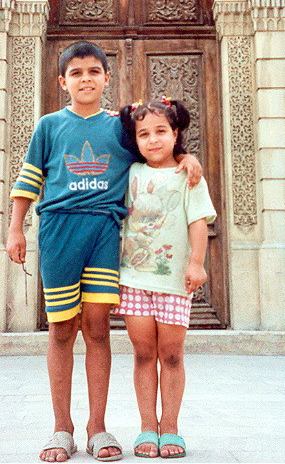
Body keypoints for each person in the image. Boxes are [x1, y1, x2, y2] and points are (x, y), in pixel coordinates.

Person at [6, 42, 202, 463]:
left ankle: (97, 427)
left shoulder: (118, 128)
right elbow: (28, 180)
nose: (86, 79)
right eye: (76, 73)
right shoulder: (49, 126)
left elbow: (157, 149)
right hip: (59, 232)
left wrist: (185, 156)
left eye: (94, 71)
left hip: (104, 235)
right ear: (62, 82)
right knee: (61, 329)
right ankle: (62, 428)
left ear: (107, 79)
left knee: (97, 328)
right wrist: (15, 230)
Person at [114, 98, 216, 459]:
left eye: (161, 131)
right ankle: (147, 425)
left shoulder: (188, 175)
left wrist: (197, 264)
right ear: (135, 139)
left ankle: (170, 426)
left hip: (174, 281)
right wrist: (119, 115)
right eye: (144, 133)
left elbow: (197, 221)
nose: (153, 140)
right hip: (135, 279)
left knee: (171, 354)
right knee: (143, 353)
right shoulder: (130, 173)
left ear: (176, 134)